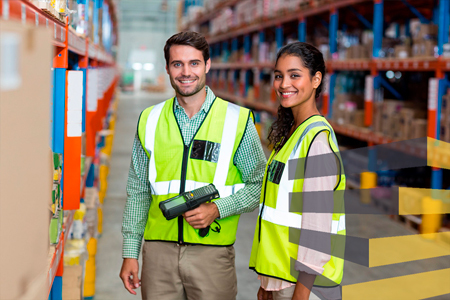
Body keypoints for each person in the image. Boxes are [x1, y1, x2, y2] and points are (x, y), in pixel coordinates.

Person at [119, 31, 267, 300]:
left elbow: (259, 185)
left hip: (211, 252)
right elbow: (138, 190)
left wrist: (217, 208)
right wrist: (130, 252)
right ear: (167, 68)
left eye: (194, 63)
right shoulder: (149, 120)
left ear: (207, 65)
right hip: (158, 254)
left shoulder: (236, 120)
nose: (186, 72)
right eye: (178, 64)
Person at [249, 42, 346, 300]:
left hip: (305, 286)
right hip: (282, 279)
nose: (283, 84)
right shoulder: (293, 133)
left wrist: (300, 295)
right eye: (279, 76)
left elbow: (318, 229)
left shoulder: (317, 142)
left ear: (316, 80)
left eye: (294, 75)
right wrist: (268, 283)